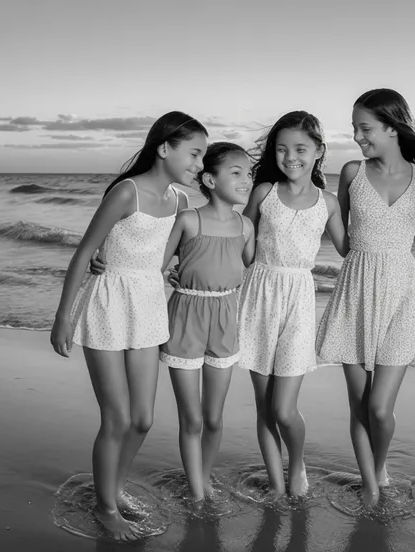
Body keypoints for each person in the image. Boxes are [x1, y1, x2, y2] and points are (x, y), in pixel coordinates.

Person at [50, 112, 207, 540]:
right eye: (194, 153)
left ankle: (113, 488)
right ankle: (105, 508)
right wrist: (63, 318)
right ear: (164, 148)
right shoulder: (127, 192)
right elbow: (85, 254)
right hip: (107, 304)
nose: (199, 163)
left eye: (203, 156)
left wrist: (173, 272)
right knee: (116, 417)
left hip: (149, 307)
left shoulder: (181, 201)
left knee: (142, 418)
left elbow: (168, 252)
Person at [315, 89, 415, 507]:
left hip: (401, 293)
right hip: (355, 290)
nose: (357, 136)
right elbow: (341, 241)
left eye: (365, 128)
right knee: (360, 406)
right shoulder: (351, 173)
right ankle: (372, 485)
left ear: (392, 128)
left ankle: (379, 468)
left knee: (380, 408)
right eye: (355, 128)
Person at [239, 111, 348, 498]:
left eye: (300, 149)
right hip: (258, 298)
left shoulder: (329, 203)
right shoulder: (263, 192)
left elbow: (351, 250)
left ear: (319, 151)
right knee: (264, 407)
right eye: (282, 149)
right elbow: (241, 245)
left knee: (284, 409)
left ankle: (296, 465)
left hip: (299, 300)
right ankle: (275, 482)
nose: (290, 157)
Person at [159, 142, 255, 503]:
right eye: (236, 173)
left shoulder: (246, 226)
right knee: (193, 420)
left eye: (249, 174)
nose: (246, 180)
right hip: (186, 319)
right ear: (210, 180)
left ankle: (204, 477)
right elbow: (156, 263)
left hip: (226, 320)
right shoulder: (188, 220)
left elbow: (247, 267)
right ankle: (197, 492)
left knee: (214, 418)